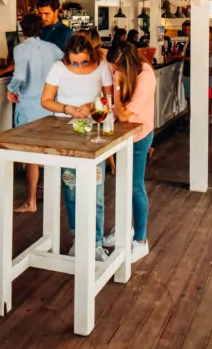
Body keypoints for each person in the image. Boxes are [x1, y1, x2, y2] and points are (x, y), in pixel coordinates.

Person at [40, 34, 113, 261]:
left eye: (83, 62)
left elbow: (110, 100)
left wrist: (92, 105)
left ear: (91, 55)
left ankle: (96, 242)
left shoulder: (102, 67)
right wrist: (67, 108)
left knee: (96, 188)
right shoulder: (57, 68)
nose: (79, 66)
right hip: (65, 130)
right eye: (74, 62)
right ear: (66, 58)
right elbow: (46, 100)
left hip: (95, 130)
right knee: (70, 188)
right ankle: (77, 239)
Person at [100, 42, 156, 263]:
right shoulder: (124, 71)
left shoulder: (146, 76)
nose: (112, 71)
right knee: (123, 184)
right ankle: (125, 228)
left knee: (135, 185)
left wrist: (115, 85)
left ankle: (141, 240)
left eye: (116, 68)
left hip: (139, 136)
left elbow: (124, 115)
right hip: (122, 134)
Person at [7, 13, 63, 213]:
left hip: (30, 107)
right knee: (50, 151)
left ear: (22, 29)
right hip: (50, 105)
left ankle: (31, 201)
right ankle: (54, 195)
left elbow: (20, 75)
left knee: (31, 156)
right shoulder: (52, 48)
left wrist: (11, 90)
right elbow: (66, 66)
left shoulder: (21, 49)